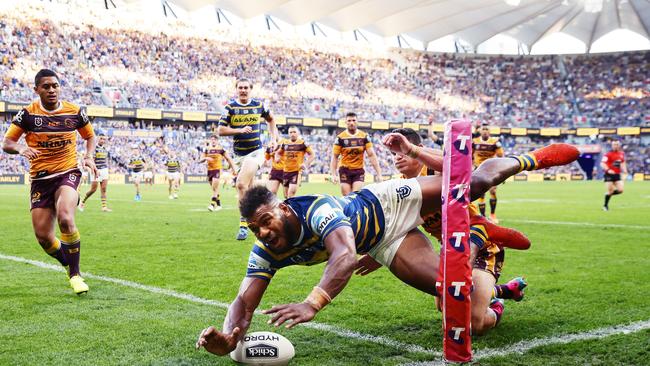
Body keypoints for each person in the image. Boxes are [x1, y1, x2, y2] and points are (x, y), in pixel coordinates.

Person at [195, 138, 579, 355]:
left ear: (281, 209)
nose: (262, 233)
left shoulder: (316, 208)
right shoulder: (267, 249)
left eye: (265, 222)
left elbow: (344, 255)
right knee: (452, 294)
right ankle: (497, 291)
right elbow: (245, 300)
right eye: (254, 228)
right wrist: (230, 335)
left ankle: (526, 159)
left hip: (387, 203)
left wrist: (312, 303)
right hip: (384, 242)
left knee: (468, 186)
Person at [356, 128, 529, 335]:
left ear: (415, 149)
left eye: (400, 151)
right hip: (451, 250)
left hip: (482, 244)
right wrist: (377, 256)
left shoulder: (434, 171)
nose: (397, 158)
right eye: (393, 154)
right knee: (445, 303)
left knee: (474, 324)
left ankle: (497, 304)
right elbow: (399, 226)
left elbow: (457, 162)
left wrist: (413, 150)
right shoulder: (400, 186)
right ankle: (504, 290)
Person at [1, 69, 96, 295]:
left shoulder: (75, 112)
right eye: (46, 87)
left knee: (65, 216)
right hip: (41, 180)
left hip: (68, 172)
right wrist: (21, 147)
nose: (51, 90)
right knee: (44, 237)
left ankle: (75, 275)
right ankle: (67, 260)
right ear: (37, 90)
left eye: (55, 85)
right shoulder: (27, 115)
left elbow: (89, 136)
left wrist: (89, 156)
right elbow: (7, 143)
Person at [218, 78, 278, 240]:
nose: (243, 90)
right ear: (236, 89)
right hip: (239, 155)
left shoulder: (259, 105)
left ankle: (244, 225)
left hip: (256, 152)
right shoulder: (230, 107)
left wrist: (273, 139)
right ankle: (268, 199)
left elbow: (271, 120)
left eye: (246, 87)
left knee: (240, 184)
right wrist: (239, 130)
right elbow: (221, 130)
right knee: (249, 190)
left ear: (250, 89)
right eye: (240, 87)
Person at [330, 112, 383, 195]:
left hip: (358, 171)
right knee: (347, 198)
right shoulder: (340, 138)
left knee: (355, 196)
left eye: (354, 120)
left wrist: (379, 173)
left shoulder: (364, 136)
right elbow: (335, 157)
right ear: (345, 122)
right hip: (344, 170)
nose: (351, 123)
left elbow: (371, 155)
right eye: (349, 121)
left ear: (357, 121)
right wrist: (333, 174)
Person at [472, 124, 504, 223]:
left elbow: (500, 156)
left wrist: (498, 146)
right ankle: (483, 216)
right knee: (481, 194)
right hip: (478, 170)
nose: (485, 131)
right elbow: (470, 155)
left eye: (487, 129)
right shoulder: (474, 141)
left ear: (489, 132)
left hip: (491, 170)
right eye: (483, 129)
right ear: (480, 131)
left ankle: (493, 215)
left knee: (493, 191)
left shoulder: (494, 142)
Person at [201, 135, 236, 212]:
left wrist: (233, 169)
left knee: (214, 188)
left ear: (217, 141)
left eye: (215, 139)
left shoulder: (221, 149)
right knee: (214, 189)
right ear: (210, 140)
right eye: (212, 139)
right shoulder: (206, 149)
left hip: (217, 169)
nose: (213, 141)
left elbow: (228, 158)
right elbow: (200, 160)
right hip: (209, 170)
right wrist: (206, 158)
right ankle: (219, 205)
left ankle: (212, 205)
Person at [276, 127, 314, 198]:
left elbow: (312, 154)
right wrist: (277, 158)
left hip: (296, 171)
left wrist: (305, 164)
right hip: (285, 172)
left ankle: (292, 208)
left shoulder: (303, 143)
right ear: (288, 134)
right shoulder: (285, 143)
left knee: (291, 194)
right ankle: (288, 208)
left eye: (294, 132)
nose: (292, 134)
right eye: (290, 132)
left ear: (298, 133)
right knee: (286, 196)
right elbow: (278, 153)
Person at [79, 133, 111, 212]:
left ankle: (104, 207)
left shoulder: (105, 149)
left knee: (103, 189)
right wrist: (93, 169)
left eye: (104, 139)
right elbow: (91, 159)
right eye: (101, 138)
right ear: (98, 139)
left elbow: (106, 159)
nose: (102, 140)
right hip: (96, 170)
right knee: (93, 190)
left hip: (104, 170)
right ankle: (82, 202)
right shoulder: (94, 148)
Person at [601, 139, 627, 211]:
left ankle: (607, 195)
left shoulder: (621, 154)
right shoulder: (608, 154)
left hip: (617, 175)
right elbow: (602, 163)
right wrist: (608, 170)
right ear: (612, 145)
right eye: (614, 144)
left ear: (619, 145)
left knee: (621, 190)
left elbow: (622, 162)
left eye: (617, 144)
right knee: (610, 191)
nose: (616, 146)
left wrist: (625, 170)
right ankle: (605, 206)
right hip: (609, 175)